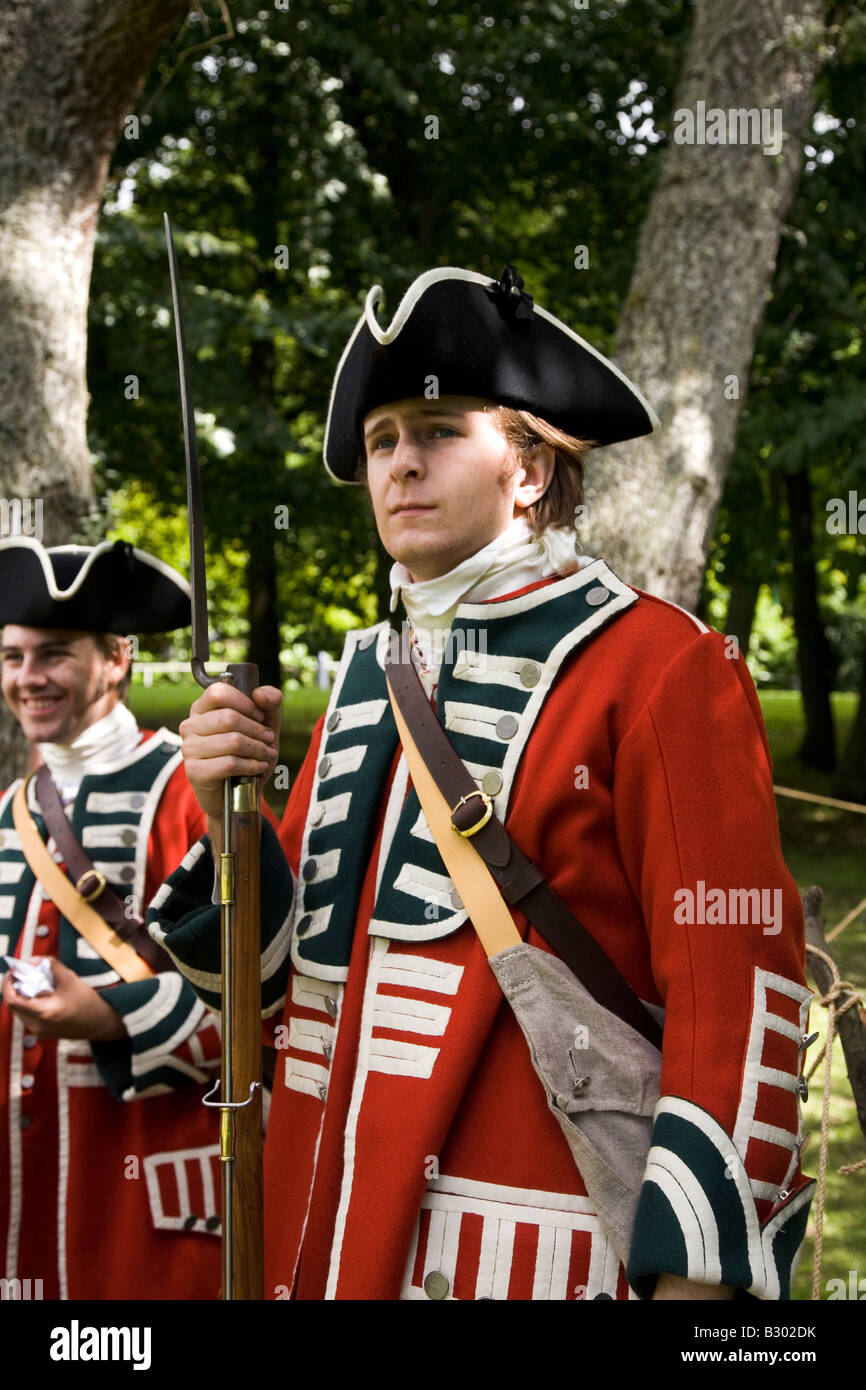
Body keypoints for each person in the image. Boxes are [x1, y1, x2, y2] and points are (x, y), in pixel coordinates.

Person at [150, 265, 815, 1301]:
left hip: (529, 1256)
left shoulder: (659, 665)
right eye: (381, 442)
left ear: (532, 467)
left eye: (436, 428)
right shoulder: (367, 677)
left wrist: (698, 1281)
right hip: (316, 1237)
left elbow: (736, 993)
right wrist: (226, 807)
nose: (400, 465)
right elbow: (275, 987)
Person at [0, 538, 223, 1300]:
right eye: (11, 658)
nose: (27, 679)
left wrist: (108, 1015)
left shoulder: (193, 797)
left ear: (117, 659)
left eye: (53, 655)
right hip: (21, 1193)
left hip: (145, 1198)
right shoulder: (9, 812)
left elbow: (269, 1003)